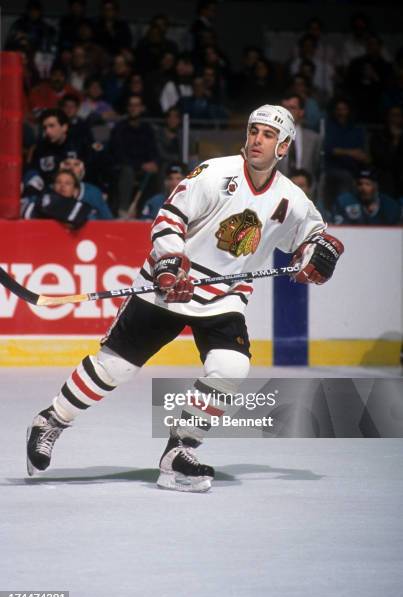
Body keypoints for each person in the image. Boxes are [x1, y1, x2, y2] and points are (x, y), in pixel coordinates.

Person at [26, 104, 344, 492]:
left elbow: (315, 240)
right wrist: (168, 264)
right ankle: (51, 421)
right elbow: (168, 219)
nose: (257, 139)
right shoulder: (216, 172)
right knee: (115, 368)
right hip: (171, 287)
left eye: (268, 135)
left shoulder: (292, 200)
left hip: (224, 297)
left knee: (230, 367)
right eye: (254, 131)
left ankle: (178, 452)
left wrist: (319, 257)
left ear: (284, 146)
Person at [21, 169, 93, 229]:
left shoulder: (83, 209)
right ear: (53, 186)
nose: (62, 186)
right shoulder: (41, 201)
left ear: (75, 190)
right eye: (58, 182)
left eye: (67, 183)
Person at [332, 168, 401, 226]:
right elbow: (340, 227)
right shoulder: (344, 202)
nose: (363, 188)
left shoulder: (390, 205)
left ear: (376, 186)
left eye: (368, 184)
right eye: (360, 184)